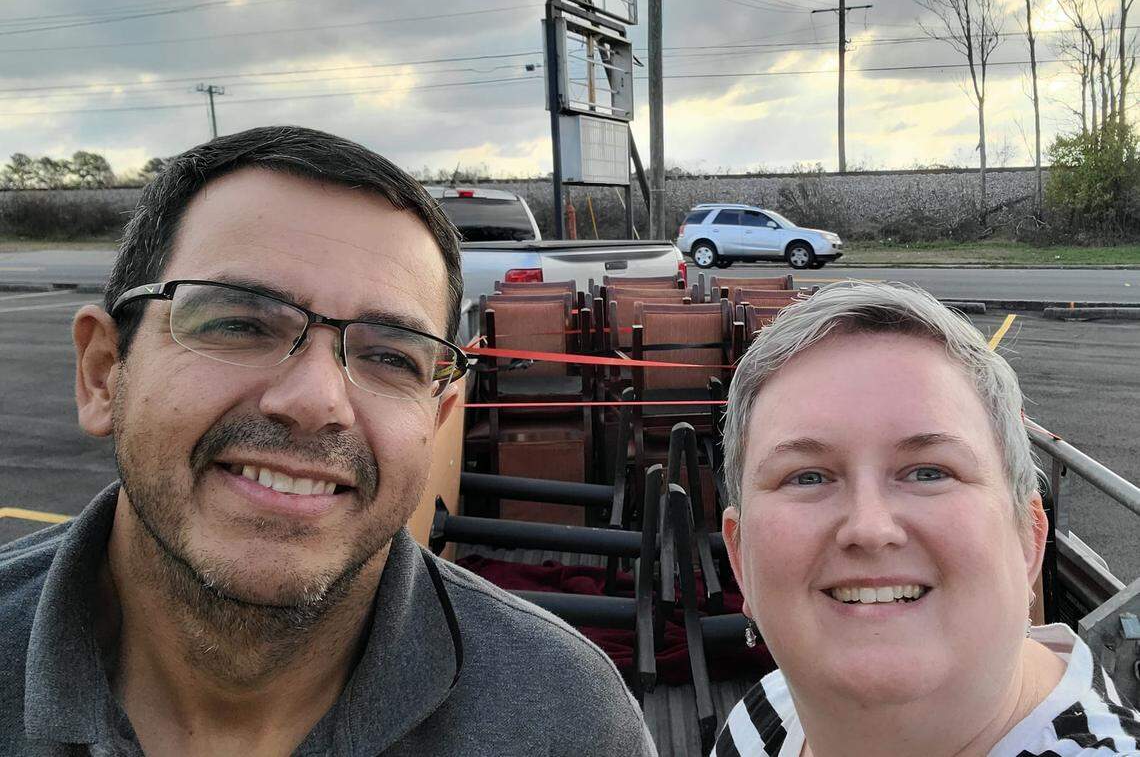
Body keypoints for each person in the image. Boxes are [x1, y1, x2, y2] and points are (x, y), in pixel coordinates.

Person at [0, 126, 656, 756]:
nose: (316, 402)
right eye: (237, 323)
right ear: (102, 373)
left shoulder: (568, 720)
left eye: (391, 357)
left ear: (436, 419)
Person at [712, 282, 1140, 757]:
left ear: (1028, 536)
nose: (870, 528)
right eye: (807, 477)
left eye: (929, 472)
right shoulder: (764, 713)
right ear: (739, 555)